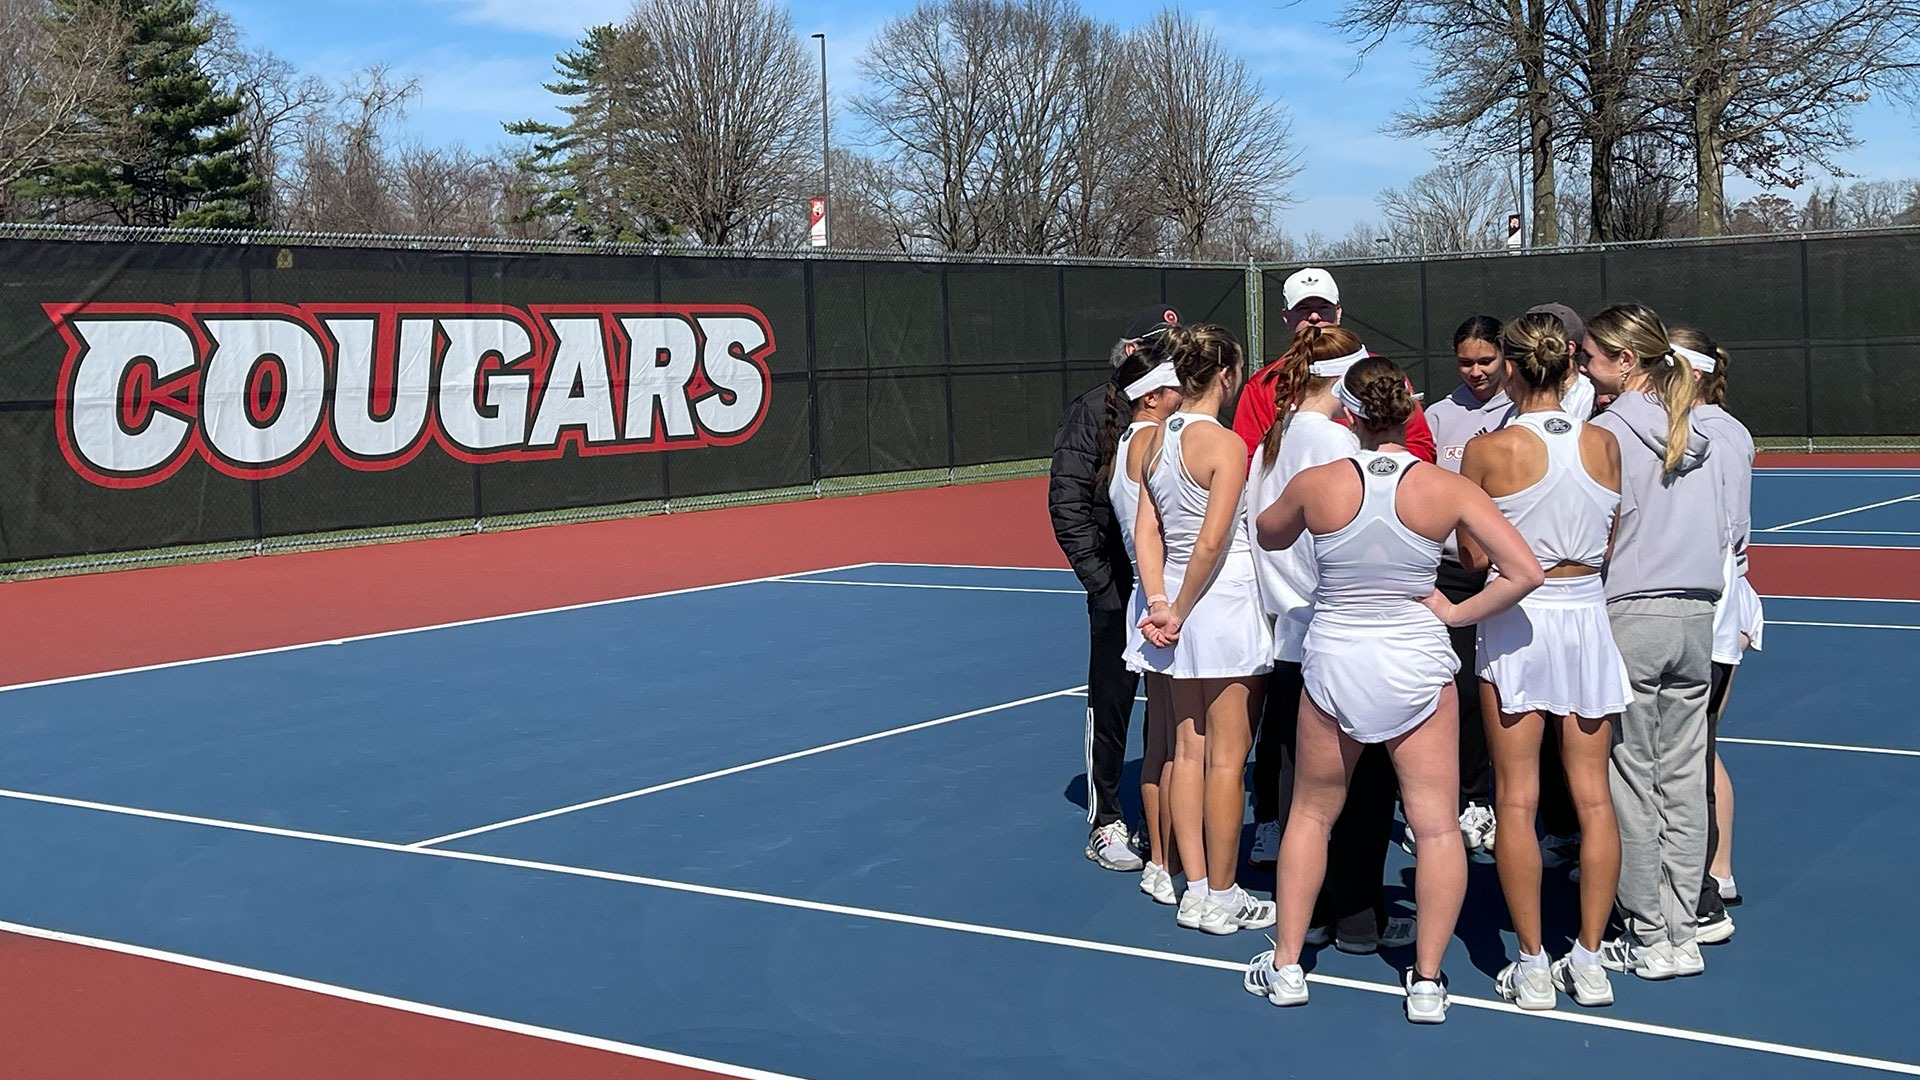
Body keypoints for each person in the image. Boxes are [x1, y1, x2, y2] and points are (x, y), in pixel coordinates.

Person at [1245, 357, 1543, 1024]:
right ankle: (1430, 981)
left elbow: (1266, 532)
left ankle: (1289, 965)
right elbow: (1523, 570)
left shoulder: (1316, 481)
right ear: (1409, 410)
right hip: (1415, 658)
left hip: (1337, 658)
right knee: (1437, 826)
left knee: (1311, 816)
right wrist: (1456, 614)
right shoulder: (1445, 486)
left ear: (1348, 412)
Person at [1462, 313, 1629, 1011]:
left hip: (1516, 623)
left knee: (1516, 799)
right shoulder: (1606, 444)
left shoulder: (1486, 450)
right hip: (1585, 616)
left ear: (1509, 366)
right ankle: (1587, 959)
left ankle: (1532, 964)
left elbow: (1474, 560)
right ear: (1567, 363)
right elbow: (1610, 542)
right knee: (1594, 798)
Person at [1244, 326, 1412, 954]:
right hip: (1339, 628)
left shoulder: (1277, 433)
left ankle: (1310, 913)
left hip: (1295, 634)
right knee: (1363, 787)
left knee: (1300, 788)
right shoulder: (1338, 442)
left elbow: (1268, 530)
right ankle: (1358, 918)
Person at [1582, 303, 1726, 980]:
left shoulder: (1609, 432)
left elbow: (1598, 533)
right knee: (1681, 778)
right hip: (1696, 617)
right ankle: (1682, 929)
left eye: (1591, 356)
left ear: (1625, 361)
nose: (1583, 366)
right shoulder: (1696, 429)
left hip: (1633, 614)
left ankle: (1647, 934)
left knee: (1633, 780)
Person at [1133, 324, 1276, 935]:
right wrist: (1181, 607)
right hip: (1219, 605)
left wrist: (1162, 600)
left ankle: (1194, 888)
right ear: (1226, 376)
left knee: (1187, 750)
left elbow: (1148, 533)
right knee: (1226, 758)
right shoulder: (1226, 445)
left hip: (1179, 607)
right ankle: (1220, 892)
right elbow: (1214, 539)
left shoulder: (1155, 442)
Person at [1049, 304, 1180, 871]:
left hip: (1168, 589)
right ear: (1133, 352)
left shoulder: (1182, 419)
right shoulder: (1092, 414)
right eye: (1159, 344)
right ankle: (1106, 819)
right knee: (1112, 702)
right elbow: (1068, 505)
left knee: (1172, 705)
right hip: (1118, 586)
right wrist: (1105, 587)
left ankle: (1162, 818)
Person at [1671, 326, 1761, 942]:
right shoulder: (1708, 426)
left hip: (1715, 604)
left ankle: (1711, 873)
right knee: (1697, 745)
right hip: (1715, 600)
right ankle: (1713, 871)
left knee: (1694, 747)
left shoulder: (1714, 434)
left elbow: (1722, 531)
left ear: (1694, 371)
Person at [1421, 314, 1508, 862]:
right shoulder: (1439, 415)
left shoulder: (1520, 413)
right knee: (1452, 689)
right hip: (1450, 572)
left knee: (1496, 692)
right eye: (1465, 362)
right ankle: (1456, 797)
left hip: (1505, 574)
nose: (1475, 371)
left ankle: (1491, 797)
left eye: (1486, 361)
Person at [1106, 345, 1188, 904]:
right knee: (1184, 741)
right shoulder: (1152, 441)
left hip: (1151, 594)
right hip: (1168, 596)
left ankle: (1163, 861)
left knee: (1164, 737)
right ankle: (1181, 863)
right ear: (1154, 396)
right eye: (1175, 385)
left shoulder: (1128, 442)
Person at [1233, 268, 1437, 465]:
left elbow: (1421, 446)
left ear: (1338, 313)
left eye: (1323, 307)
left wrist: (1376, 475)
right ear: (1286, 316)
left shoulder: (1381, 372)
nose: (1314, 317)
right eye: (1303, 309)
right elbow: (1248, 460)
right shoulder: (1263, 384)